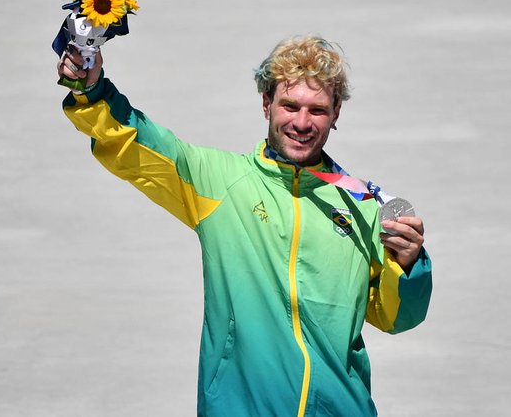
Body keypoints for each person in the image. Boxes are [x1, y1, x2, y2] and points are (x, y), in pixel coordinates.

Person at [56, 36, 432, 417]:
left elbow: (396, 317)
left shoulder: (363, 206)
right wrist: (91, 91)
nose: (302, 123)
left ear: (336, 114)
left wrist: (408, 265)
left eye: (317, 110)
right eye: (290, 105)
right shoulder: (220, 182)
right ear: (267, 104)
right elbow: (136, 142)